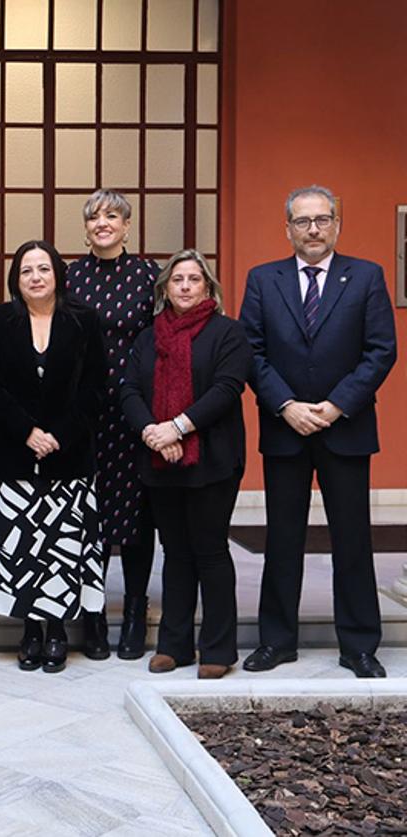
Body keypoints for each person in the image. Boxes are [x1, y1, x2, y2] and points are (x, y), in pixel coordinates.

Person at [240, 185, 397, 678]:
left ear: (336, 225)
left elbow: (380, 351)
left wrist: (334, 406)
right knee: (282, 538)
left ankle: (358, 646)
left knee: (352, 538)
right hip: (285, 426)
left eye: (322, 220)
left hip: (344, 426)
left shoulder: (367, 276)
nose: (313, 229)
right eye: (303, 221)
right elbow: (251, 351)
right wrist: (286, 405)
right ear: (287, 228)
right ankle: (277, 641)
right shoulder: (263, 280)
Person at [0, 240, 106, 674]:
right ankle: (30, 630)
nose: (35, 277)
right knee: (22, 550)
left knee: (61, 550)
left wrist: (58, 436)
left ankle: (58, 631)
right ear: (16, 278)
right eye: (26, 270)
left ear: (57, 275)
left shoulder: (85, 321)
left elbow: (95, 388)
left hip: (69, 456)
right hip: (13, 454)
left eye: (43, 269)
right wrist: (28, 432)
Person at [120, 250, 251, 679]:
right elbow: (129, 391)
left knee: (210, 552)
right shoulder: (148, 336)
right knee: (174, 553)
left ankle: (217, 648)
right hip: (160, 458)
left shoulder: (228, 333)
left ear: (208, 287)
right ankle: (175, 646)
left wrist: (177, 427)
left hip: (212, 459)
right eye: (178, 280)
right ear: (164, 289)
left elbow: (227, 389)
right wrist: (154, 433)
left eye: (194, 279)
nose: (186, 287)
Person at [65, 189, 159, 660]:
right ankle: (93, 613)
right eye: (95, 217)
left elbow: (164, 342)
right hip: (86, 414)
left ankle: (136, 613)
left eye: (113, 216)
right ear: (85, 228)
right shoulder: (69, 276)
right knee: (90, 517)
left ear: (127, 226)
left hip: (137, 413)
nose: (103, 223)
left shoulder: (148, 275)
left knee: (138, 517)